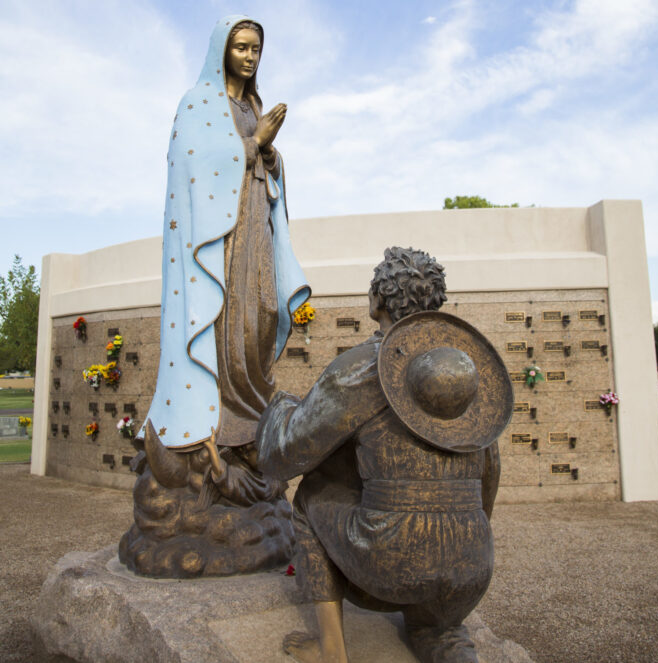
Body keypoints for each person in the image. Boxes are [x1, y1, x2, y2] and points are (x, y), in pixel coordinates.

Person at [257, 247, 513, 663]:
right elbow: (490, 473)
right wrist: (461, 539)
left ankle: (331, 649)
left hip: (389, 559)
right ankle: (443, 635)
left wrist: (280, 407)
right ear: (436, 302)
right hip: (472, 565)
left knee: (311, 496)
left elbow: (284, 454)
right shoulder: (465, 368)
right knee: (438, 631)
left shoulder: (364, 366)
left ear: (376, 299)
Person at [139, 15, 309, 452]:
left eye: (256, 49)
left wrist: (269, 153)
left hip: (256, 222)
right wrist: (254, 143)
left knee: (263, 312)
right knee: (231, 318)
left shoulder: (252, 106)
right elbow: (191, 164)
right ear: (222, 51)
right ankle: (227, 421)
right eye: (241, 48)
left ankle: (254, 414)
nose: (250, 57)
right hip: (219, 237)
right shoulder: (198, 102)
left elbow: (266, 165)